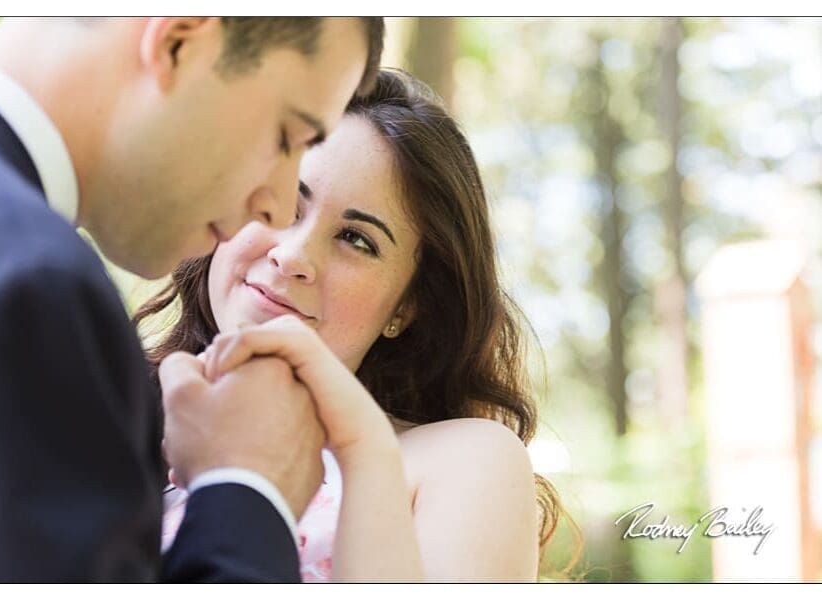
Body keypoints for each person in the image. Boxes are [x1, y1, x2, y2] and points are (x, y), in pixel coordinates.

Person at [0, 17, 383, 582]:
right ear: (180, 42)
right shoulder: (31, 284)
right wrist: (248, 488)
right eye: (286, 137)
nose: (279, 209)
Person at [136, 69, 565, 582]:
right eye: (285, 202)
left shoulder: (463, 460)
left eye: (356, 240)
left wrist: (361, 447)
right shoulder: (110, 412)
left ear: (407, 306)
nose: (293, 255)